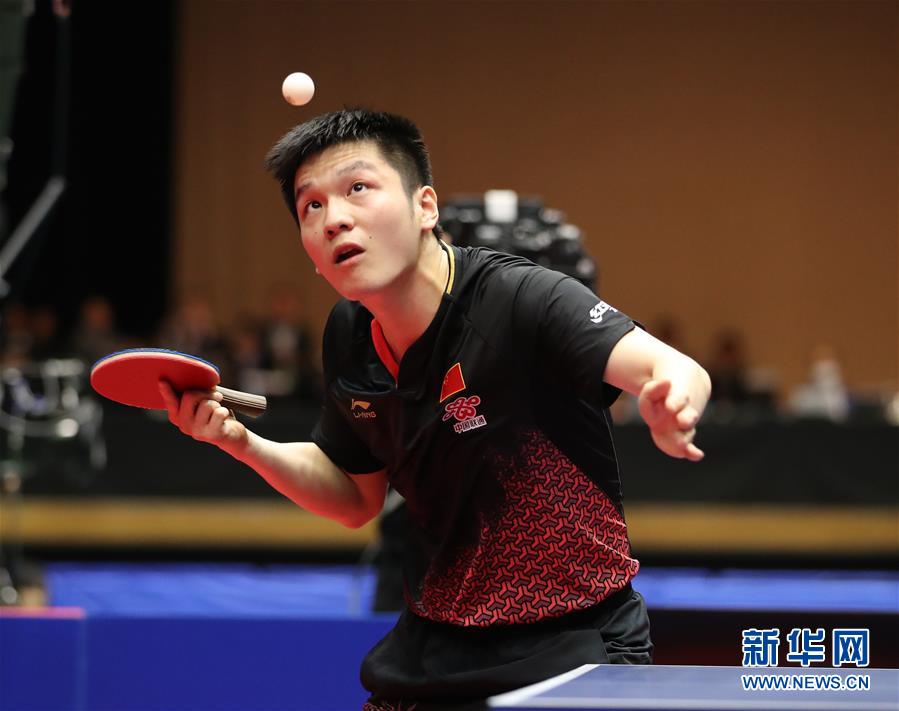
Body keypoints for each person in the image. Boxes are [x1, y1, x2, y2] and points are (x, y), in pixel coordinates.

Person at [160, 109, 711, 709]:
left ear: (426, 207)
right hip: (435, 650)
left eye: (357, 187)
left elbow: (672, 367)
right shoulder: (349, 334)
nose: (333, 218)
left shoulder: (517, 298)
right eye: (310, 206)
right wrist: (239, 442)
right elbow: (355, 497)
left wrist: (672, 400)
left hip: (573, 643)